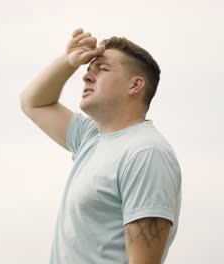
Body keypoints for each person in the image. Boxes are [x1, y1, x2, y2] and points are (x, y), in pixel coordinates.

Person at [20, 28, 182, 264]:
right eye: (87, 71)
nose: (86, 77)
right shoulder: (90, 137)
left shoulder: (145, 153)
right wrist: (68, 62)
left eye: (102, 69)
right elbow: (32, 103)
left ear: (135, 85)